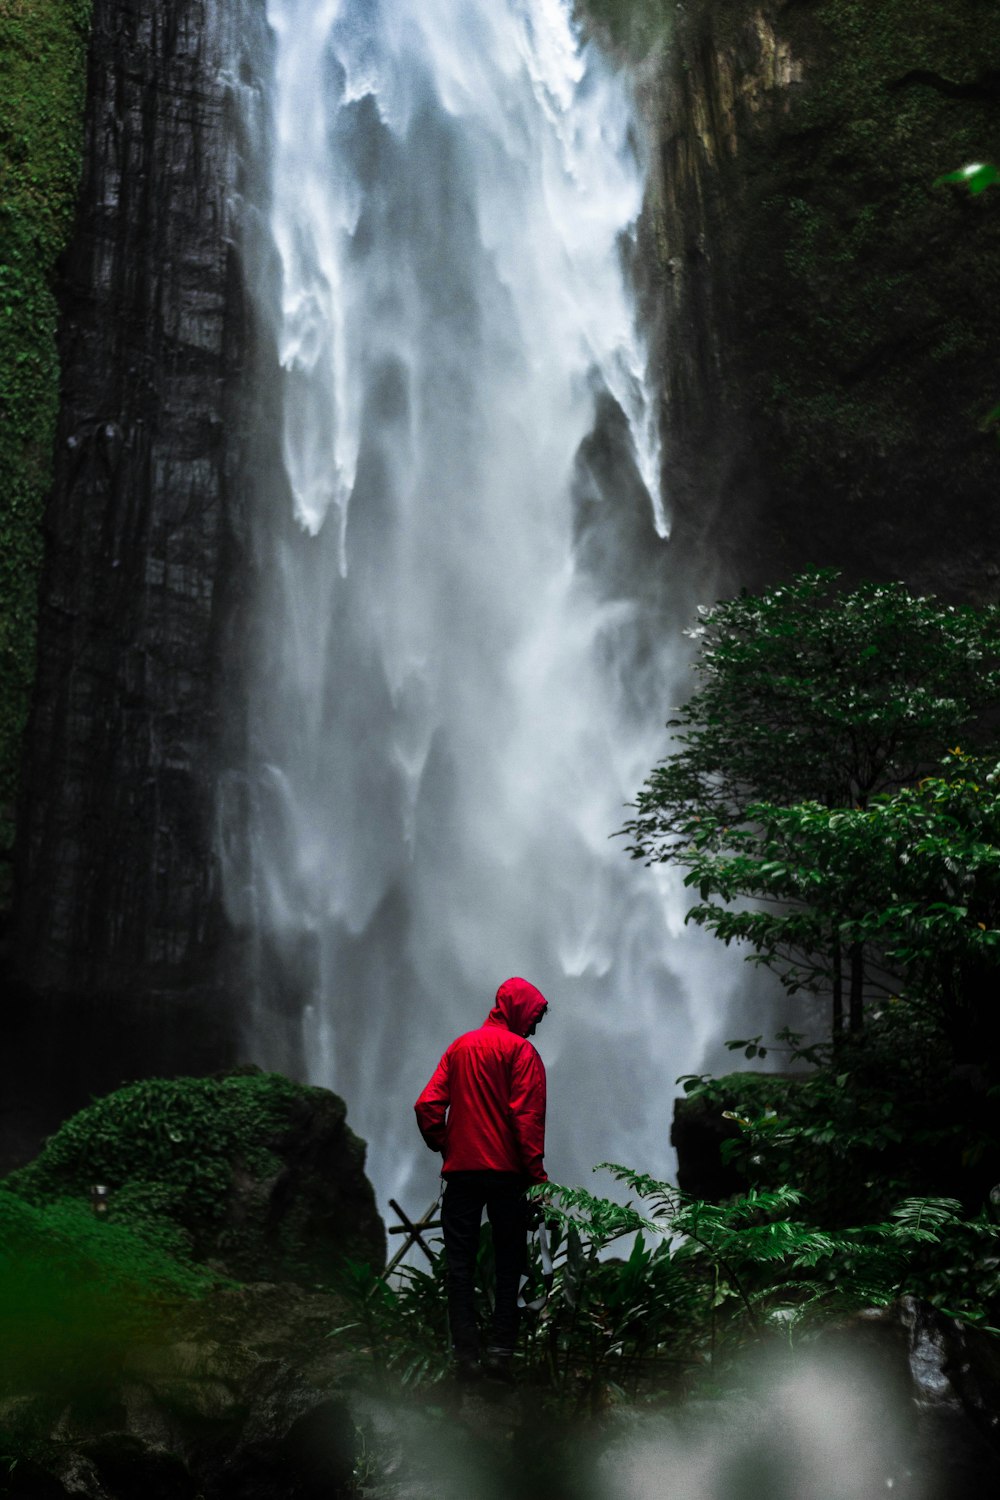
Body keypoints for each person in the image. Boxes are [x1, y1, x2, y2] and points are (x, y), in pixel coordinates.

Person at [414, 976, 549, 1379]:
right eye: (534, 1016)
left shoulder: (459, 1047)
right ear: (518, 1009)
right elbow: (526, 1117)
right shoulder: (522, 1052)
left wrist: (447, 1145)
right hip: (507, 1176)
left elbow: (427, 1107)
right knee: (509, 1263)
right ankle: (500, 1352)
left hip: (462, 1176)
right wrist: (538, 1176)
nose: (536, 1026)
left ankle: (465, 1354)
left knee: (459, 1265)